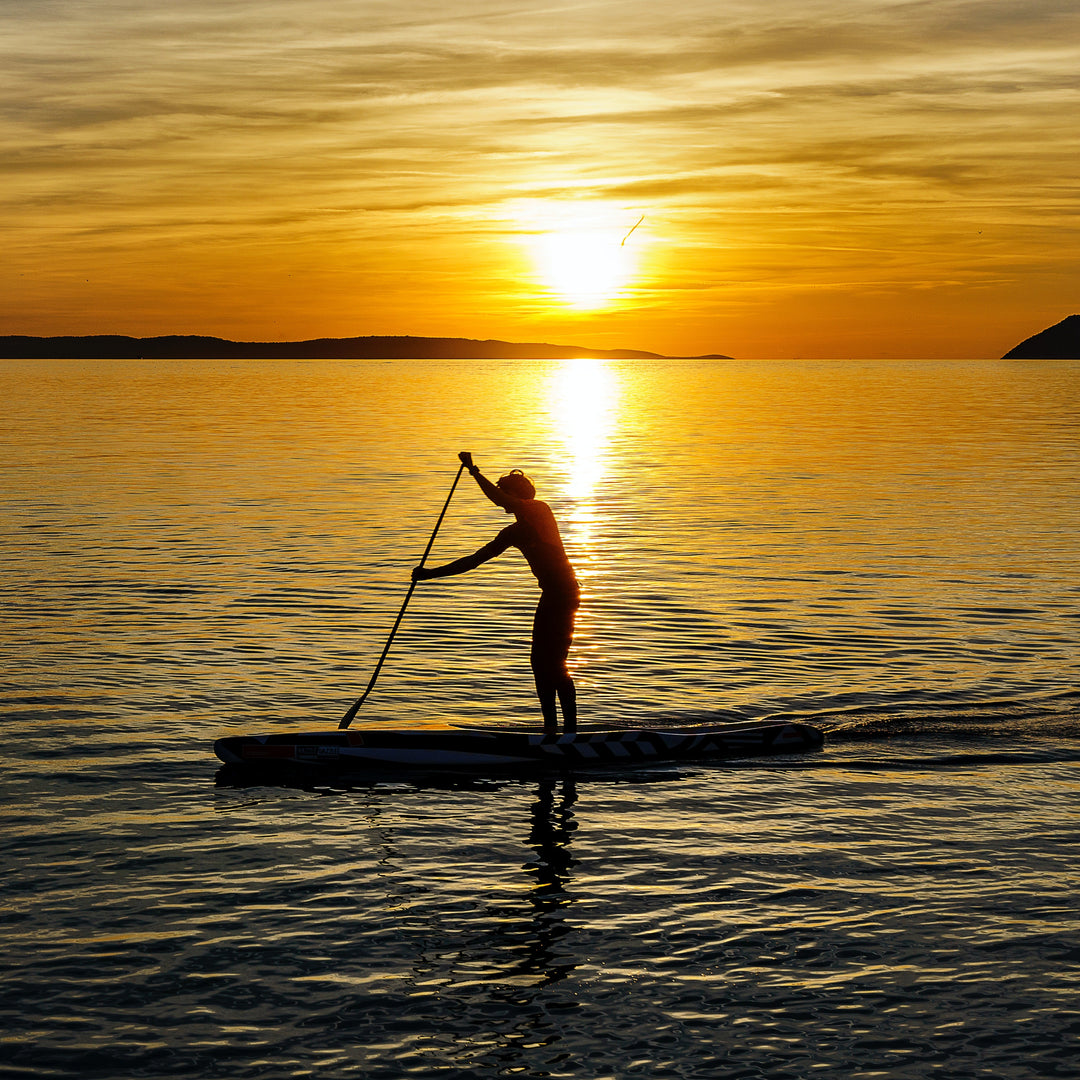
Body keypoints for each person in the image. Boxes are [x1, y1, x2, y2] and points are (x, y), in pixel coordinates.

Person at [412, 451, 580, 733]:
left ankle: (571, 733)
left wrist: (474, 472)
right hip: (550, 595)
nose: (502, 497)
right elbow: (473, 561)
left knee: (554, 663)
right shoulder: (511, 533)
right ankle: (551, 728)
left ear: (518, 495)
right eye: (502, 491)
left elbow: (501, 499)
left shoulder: (540, 510)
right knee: (539, 663)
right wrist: (430, 574)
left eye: (505, 492)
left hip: (565, 594)